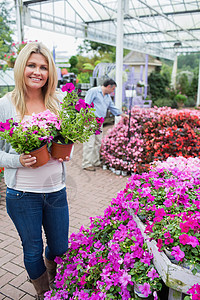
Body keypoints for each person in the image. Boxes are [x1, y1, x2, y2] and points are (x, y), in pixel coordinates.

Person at [0, 42, 69, 299]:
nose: (37, 72)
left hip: (56, 191)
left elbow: (67, 137)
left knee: (60, 247)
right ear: (22, 67)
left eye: (43, 67)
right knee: (32, 249)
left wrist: (64, 149)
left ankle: (53, 275)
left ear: (50, 71)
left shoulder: (58, 101)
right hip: (22, 194)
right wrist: (18, 159)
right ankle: (44, 292)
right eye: (31, 65)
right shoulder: (6, 104)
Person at [82, 78, 128, 171]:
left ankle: (95, 161)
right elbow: (85, 104)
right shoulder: (94, 91)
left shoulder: (107, 97)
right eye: (113, 89)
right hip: (90, 120)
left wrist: (122, 114)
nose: (113, 91)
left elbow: (112, 107)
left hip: (99, 122)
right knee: (89, 143)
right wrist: (85, 119)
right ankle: (86, 163)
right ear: (108, 86)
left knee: (98, 142)